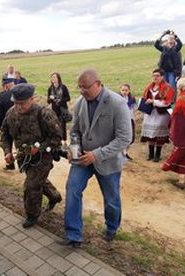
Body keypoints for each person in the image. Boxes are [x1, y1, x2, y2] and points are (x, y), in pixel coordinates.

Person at [62, 69, 132, 247]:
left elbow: (125, 138)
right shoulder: (79, 103)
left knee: (111, 198)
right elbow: (75, 131)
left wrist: (97, 154)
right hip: (83, 158)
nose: (82, 91)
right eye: (80, 87)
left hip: (107, 160)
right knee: (72, 189)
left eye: (86, 87)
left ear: (99, 84)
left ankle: (111, 228)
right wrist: (74, 149)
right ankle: (73, 234)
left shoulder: (117, 103)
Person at [0, 83, 63, 228]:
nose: (19, 107)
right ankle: (55, 196)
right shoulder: (11, 113)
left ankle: (32, 215)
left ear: (32, 98)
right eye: (16, 103)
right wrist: (7, 151)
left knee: (31, 186)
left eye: (22, 103)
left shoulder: (44, 114)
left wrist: (40, 148)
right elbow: (5, 134)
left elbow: (57, 138)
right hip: (24, 157)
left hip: (43, 157)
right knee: (36, 181)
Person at [140, 69, 175, 162]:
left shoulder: (168, 88)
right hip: (150, 113)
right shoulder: (149, 87)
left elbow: (166, 103)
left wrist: (153, 101)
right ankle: (151, 154)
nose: (155, 77)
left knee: (159, 134)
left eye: (157, 75)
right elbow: (144, 97)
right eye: (154, 75)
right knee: (150, 134)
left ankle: (157, 154)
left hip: (161, 114)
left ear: (162, 76)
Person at [0, 78, 15, 170]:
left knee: (7, 144)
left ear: (6, 86)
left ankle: (10, 164)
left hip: (7, 125)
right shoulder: (21, 94)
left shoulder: (2, 96)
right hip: (22, 125)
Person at [47, 72, 71, 143]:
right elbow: (48, 101)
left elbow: (68, 98)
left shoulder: (63, 87)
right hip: (54, 110)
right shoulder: (50, 89)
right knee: (55, 126)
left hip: (62, 109)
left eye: (54, 77)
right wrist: (50, 99)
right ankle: (58, 140)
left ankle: (64, 141)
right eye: (52, 77)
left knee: (63, 125)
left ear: (58, 78)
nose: (53, 78)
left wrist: (60, 100)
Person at [119, 84, 136, 160]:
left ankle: (125, 152)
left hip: (130, 119)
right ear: (120, 90)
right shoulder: (118, 99)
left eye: (126, 90)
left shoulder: (132, 99)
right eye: (123, 90)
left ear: (129, 91)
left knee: (131, 138)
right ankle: (122, 153)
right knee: (122, 137)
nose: (124, 92)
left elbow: (133, 108)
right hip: (121, 120)